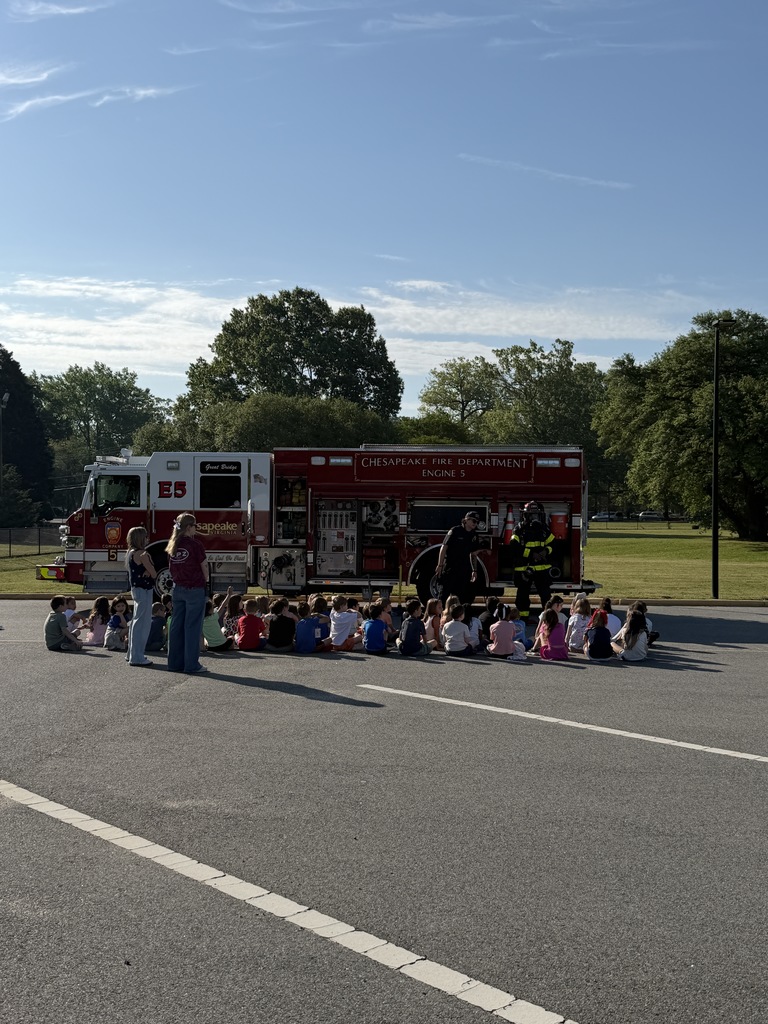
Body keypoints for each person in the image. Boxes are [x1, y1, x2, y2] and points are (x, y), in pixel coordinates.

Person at [166, 512, 209, 675]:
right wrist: (206, 581)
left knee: (176, 626)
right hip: (194, 588)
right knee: (192, 627)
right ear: (189, 527)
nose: (196, 529)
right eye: (195, 526)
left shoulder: (173, 544)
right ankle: (191, 664)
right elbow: (204, 565)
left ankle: (174, 663)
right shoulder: (195, 545)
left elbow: (171, 568)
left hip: (178, 589)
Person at [508, 501, 555, 626]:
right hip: (524, 568)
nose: (534, 517)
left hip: (542, 568)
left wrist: (545, 551)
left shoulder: (544, 529)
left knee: (545, 595)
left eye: (536, 514)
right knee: (523, 595)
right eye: (531, 514)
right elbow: (514, 547)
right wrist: (531, 554)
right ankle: (523, 619)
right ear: (525, 515)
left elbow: (553, 544)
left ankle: (548, 619)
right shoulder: (519, 529)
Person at [125, 526, 157, 667]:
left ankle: (131, 653)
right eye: (145, 536)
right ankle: (137, 656)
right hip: (144, 589)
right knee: (142, 623)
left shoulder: (130, 553)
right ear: (140, 539)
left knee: (135, 621)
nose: (147, 539)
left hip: (136, 589)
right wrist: (149, 570)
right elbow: (154, 572)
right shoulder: (143, 554)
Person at [435, 511, 483, 604]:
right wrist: (440, 565)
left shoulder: (474, 535)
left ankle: (457, 617)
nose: (475, 523)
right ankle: (440, 616)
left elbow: (473, 554)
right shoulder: (455, 531)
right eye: (473, 520)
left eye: (477, 522)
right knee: (444, 595)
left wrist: (474, 571)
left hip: (464, 570)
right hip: (450, 568)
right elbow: (444, 547)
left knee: (460, 597)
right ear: (466, 520)